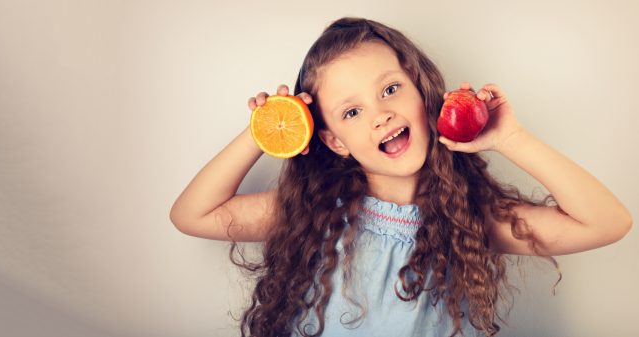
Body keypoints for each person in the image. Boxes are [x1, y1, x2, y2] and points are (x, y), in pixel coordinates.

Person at [169, 17, 632, 337]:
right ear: (334, 142)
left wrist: (510, 138)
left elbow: (607, 222)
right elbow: (192, 214)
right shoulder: (314, 213)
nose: (381, 113)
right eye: (352, 111)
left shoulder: (471, 219)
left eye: (390, 89)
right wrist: (266, 128)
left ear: (423, 92)